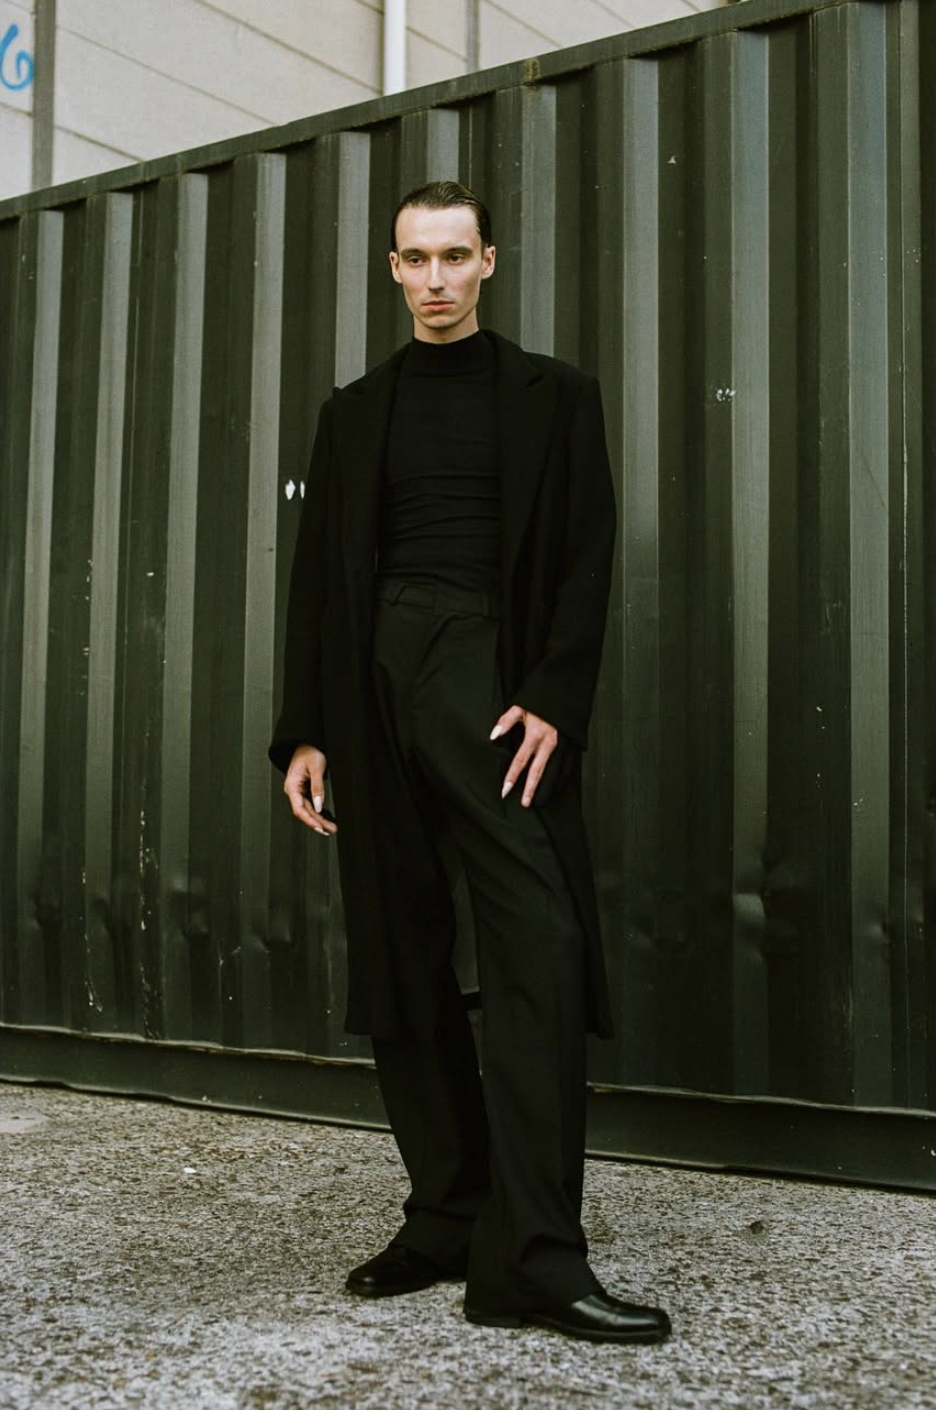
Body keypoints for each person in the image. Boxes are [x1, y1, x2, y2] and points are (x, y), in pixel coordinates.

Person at [269, 180, 670, 1346]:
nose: (435, 279)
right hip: (374, 683)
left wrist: (552, 694)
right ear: (391, 271)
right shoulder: (355, 413)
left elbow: (589, 552)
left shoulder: (555, 397)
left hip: (491, 683)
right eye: (414, 260)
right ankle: (447, 1213)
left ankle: (536, 1257)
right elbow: (318, 583)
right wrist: (306, 727)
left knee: (539, 944)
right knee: (403, 953)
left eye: (455, 257)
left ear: (488, 261)